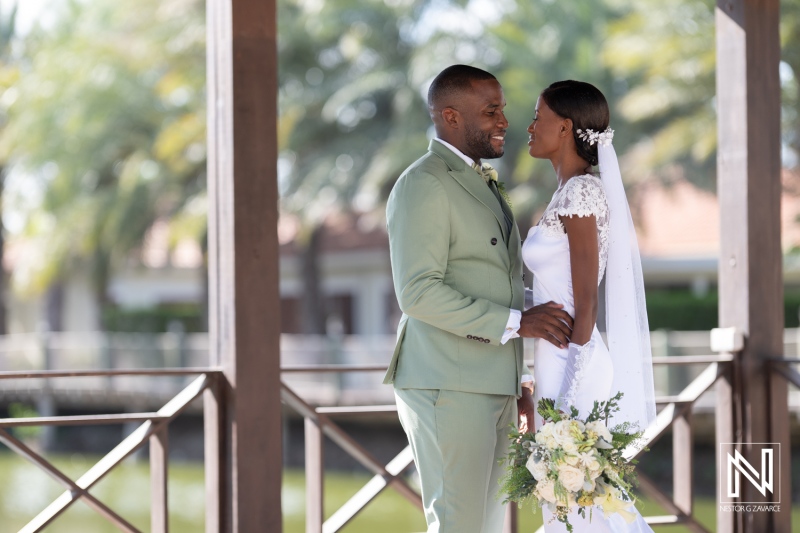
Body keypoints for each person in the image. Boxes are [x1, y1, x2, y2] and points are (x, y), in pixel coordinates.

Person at [383, 65, 575, 533]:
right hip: (447, 384)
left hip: (489, 382)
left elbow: (494, 282)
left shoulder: (479, 180)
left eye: (503, 109)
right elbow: (418, 293)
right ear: (450, 116)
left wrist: (517, 381)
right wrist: (520, 323)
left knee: (484, 526)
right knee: (459, 525)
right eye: (491, 111)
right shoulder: (424, 183)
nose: (505, 120)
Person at [524, 79, 656, 532]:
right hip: (553, 361)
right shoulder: (565, 193)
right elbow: (552, 288)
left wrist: (571, 388)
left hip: (572, 363)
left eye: (538, 117)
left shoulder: (581, 193)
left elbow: (588, 297)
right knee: (565, 501)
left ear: (564, 127)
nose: (529, 126)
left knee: (580, 503)